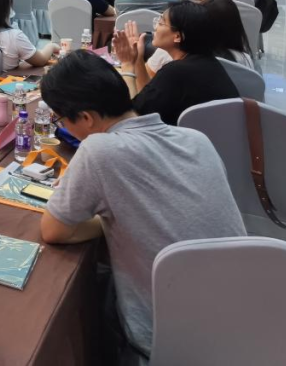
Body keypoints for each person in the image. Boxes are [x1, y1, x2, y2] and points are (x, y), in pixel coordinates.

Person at [38, 51, 245, 357]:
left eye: (62, 120)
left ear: (86, 118)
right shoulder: (197, 139)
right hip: (241, 323)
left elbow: (53, 230)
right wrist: (120, 211)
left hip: (165, 341)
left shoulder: (99, 150)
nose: (65, 127)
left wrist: (111, 216)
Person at [112, 1, 239, 126]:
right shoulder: (209, 64)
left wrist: (127, 64)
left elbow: (131, 120)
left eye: (161, 22)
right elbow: (148, 98)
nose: (155, 27)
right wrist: (137, 58)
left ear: (178, 36)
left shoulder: (175, 72)